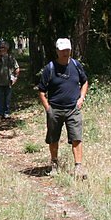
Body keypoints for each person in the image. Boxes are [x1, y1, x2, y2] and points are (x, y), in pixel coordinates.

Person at [37, 38, 89, 179]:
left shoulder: (76, 65)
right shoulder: (50, 68)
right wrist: (48, 108)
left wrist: (81, 99)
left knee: (77, 138)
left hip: (73, 108)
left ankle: (78, 167)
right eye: (62, 50)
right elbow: (41, 91)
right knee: (53, 138)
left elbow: (84, 82)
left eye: (67, 50)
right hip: (55, 109)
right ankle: (54, 164)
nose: (65, 53)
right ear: (57, 51)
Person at [0, 41, 20, 118]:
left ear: (7, 48)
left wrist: (15, 78)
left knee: (7, 99)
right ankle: (0, 113)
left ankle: (6, 112)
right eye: (0, 47)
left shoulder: (11, 57)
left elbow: (17, 68)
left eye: (3, 47)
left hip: (8, 82)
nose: (2, 49)